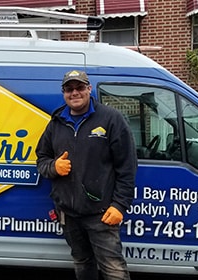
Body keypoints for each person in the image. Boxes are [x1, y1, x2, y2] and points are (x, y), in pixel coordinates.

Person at [35, 70, 137, 280]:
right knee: (82, 263)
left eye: (80, 87)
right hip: (69, 214)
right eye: (69, 89)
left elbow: (127, 166)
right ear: (63, 92)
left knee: (114, 270)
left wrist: (119, 205)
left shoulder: (110, 119)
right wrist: (54, 166)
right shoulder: (56, 122)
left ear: (89, 89)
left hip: (102, 214)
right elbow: (41, 159)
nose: (75, 93)